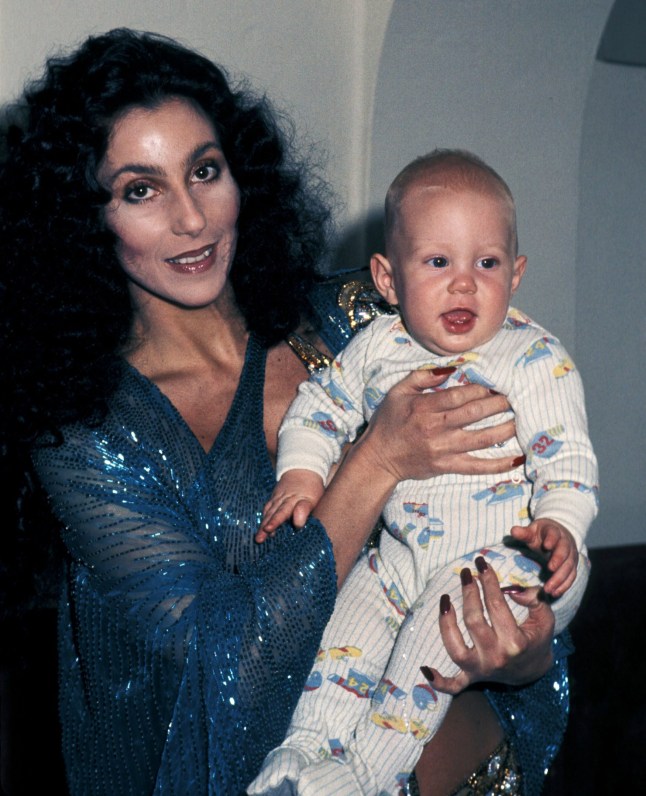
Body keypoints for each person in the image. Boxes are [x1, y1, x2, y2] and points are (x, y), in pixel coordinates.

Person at [0, 29, 563, 796]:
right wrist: (376, 463)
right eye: (141, 189)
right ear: (84, 217)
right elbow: (225, 666)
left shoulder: (367, 316)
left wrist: (528, 653)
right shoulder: (88, 434)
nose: (192, 219)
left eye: (205, 171)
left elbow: (511, 510)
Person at [250, 150, 598, 795]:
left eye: (486, 263)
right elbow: (318, 408)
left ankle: (363, 776)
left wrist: (560, 526)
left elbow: (569, 459)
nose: (464, 284)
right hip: (403, 553)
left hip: (510, 561)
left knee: (423, 657)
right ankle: (301, 754)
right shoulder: (377, 347)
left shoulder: (531, 356)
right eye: (439, 262)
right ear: (387, 278)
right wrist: (302, 474)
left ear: (516, 274)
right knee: (343, 634)